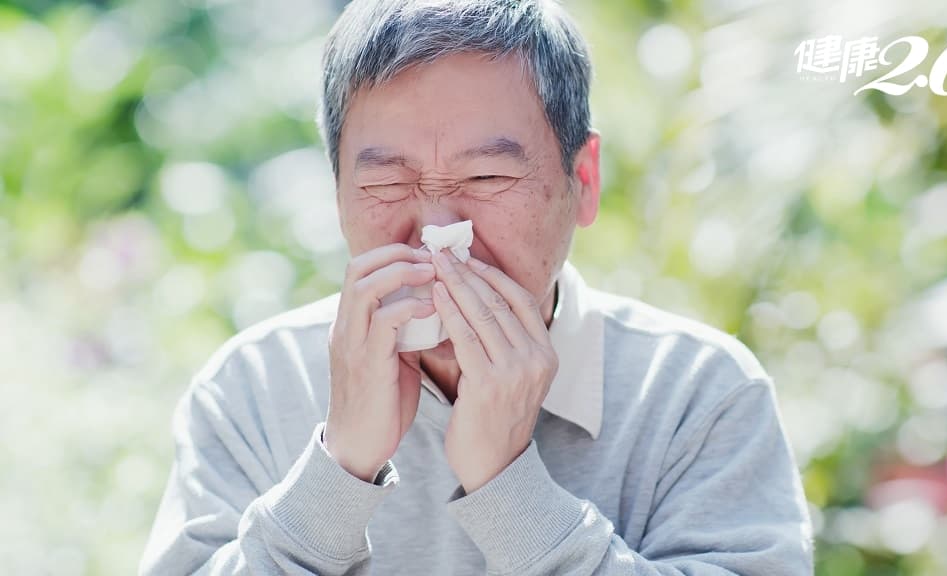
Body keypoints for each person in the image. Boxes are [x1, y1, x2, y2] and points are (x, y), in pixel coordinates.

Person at [140, 1, 813, 574]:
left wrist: (510, 487)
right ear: (338, 190)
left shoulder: (699, 394)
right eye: (386, 184)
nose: (438, 231)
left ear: (583, 180)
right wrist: (339, 469)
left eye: (486, 178)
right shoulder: (254, 387)